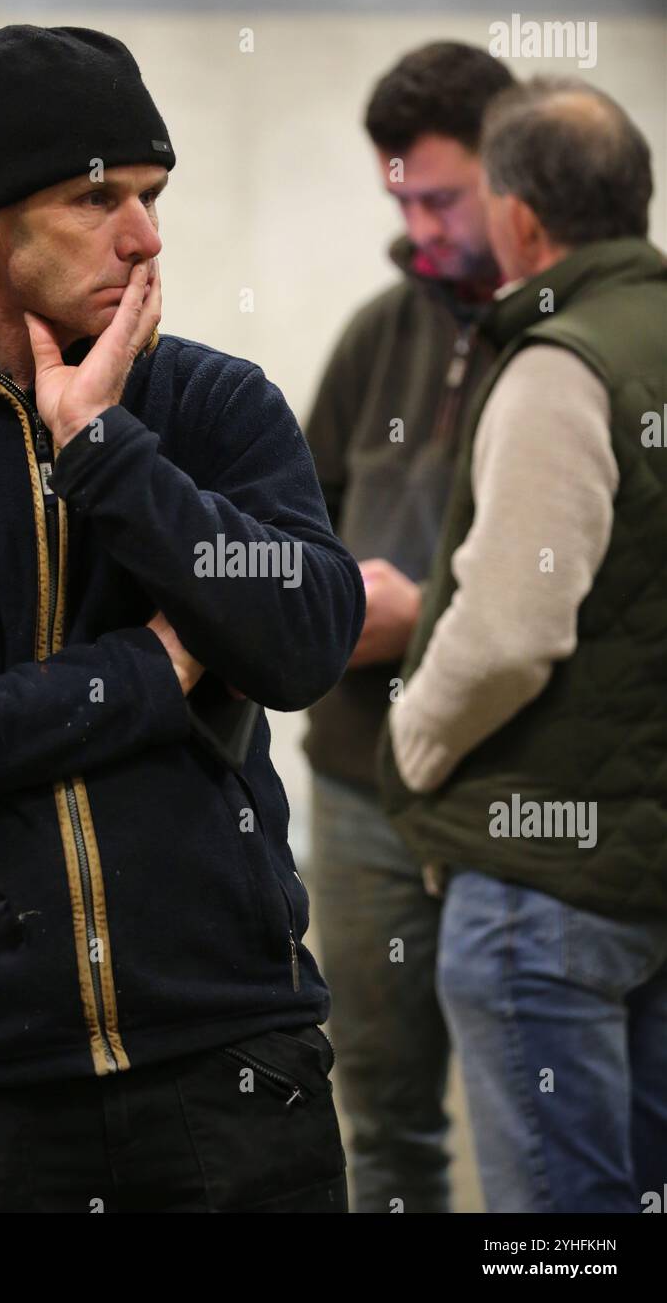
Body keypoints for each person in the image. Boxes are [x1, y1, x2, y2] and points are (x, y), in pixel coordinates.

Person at [0, 24, 365, 1214]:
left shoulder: (214, 406)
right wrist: (138, 677)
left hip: (237, 1071)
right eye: (94, 197)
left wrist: (108, 453)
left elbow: (306, 641)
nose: (146, 235)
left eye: (152, 193)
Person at [378, 78, 667, 1213]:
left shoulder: (561, 363)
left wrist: (413, 738)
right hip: (646, 875)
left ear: (523, 221)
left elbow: (508, 634)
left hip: (543, 884)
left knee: (557, 1228)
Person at [302, 42, 512, 1212]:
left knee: (547, 1127)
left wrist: (422, 620)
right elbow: (294, 522)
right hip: (358, 780)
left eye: (440, 197)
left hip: (514, 784)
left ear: (514, 167)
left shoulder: (585, 339)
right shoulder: (377, 333)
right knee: (381, 1130)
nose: (419, 225)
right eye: (400, 198)